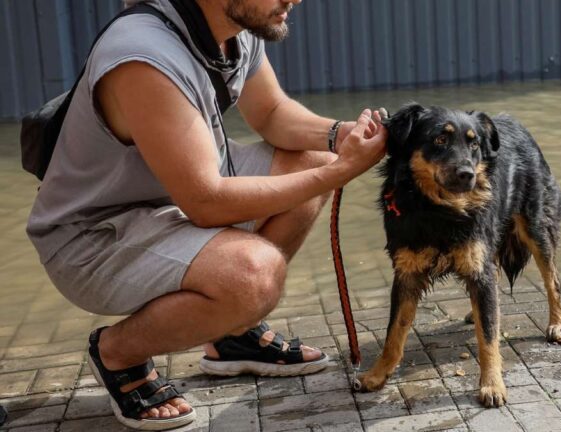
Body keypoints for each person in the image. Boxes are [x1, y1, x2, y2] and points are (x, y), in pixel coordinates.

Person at [25, 0, 387, 429]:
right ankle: (118, 352)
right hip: (92, 236)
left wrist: (338, 136)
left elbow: (271, 114)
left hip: (169, 197)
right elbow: (207, 202)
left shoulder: (236, 26)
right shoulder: (143, 57)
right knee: (253, 275)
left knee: (312, 158)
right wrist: (343, 171)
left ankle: (233, 333)